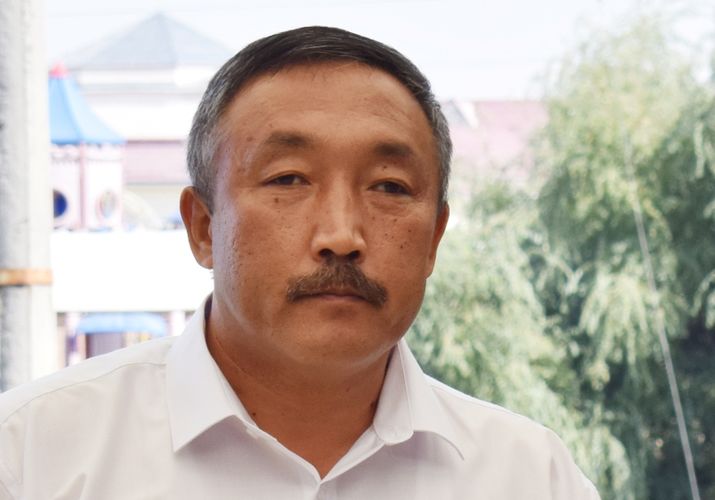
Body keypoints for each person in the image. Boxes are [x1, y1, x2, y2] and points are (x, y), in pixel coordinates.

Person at [0, 26, 600, 499]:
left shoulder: (530, 476)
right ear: (203, 227)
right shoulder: (32, 455)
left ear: (434, 239)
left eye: (389, 186)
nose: (342, 235)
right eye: (288, 179)